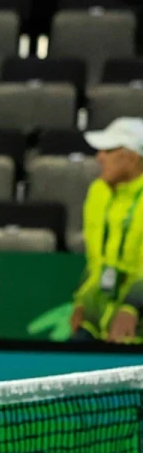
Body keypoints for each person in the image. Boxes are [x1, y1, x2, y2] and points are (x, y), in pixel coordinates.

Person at [71, 117, 143, 344]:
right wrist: (82, 302)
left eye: (109, 150)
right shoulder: (98, 192)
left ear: (133, 157)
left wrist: (132, 306)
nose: (99, 157)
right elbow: (94, 260)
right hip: (96, 319)